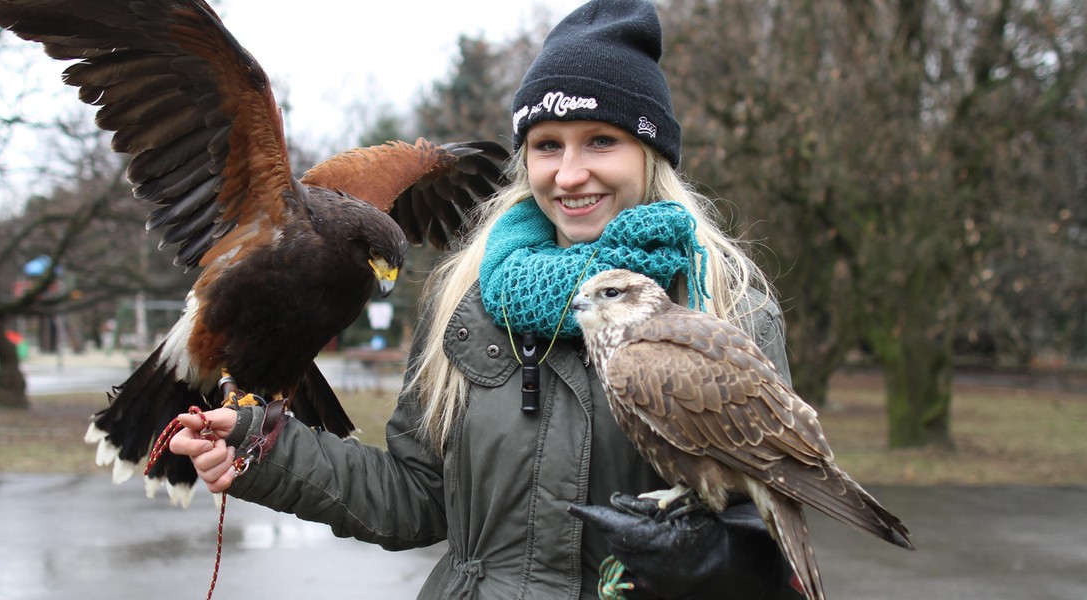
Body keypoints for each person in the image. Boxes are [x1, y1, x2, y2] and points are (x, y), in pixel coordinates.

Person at [170, 1, 802, 598]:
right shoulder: (464, 305)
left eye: (601, 141)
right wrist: (263, 448)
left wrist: (721, 563)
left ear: (652, 152)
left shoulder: (725, 305)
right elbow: (415, 498)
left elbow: (776, 512)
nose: (570, 173)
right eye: (547, 145)